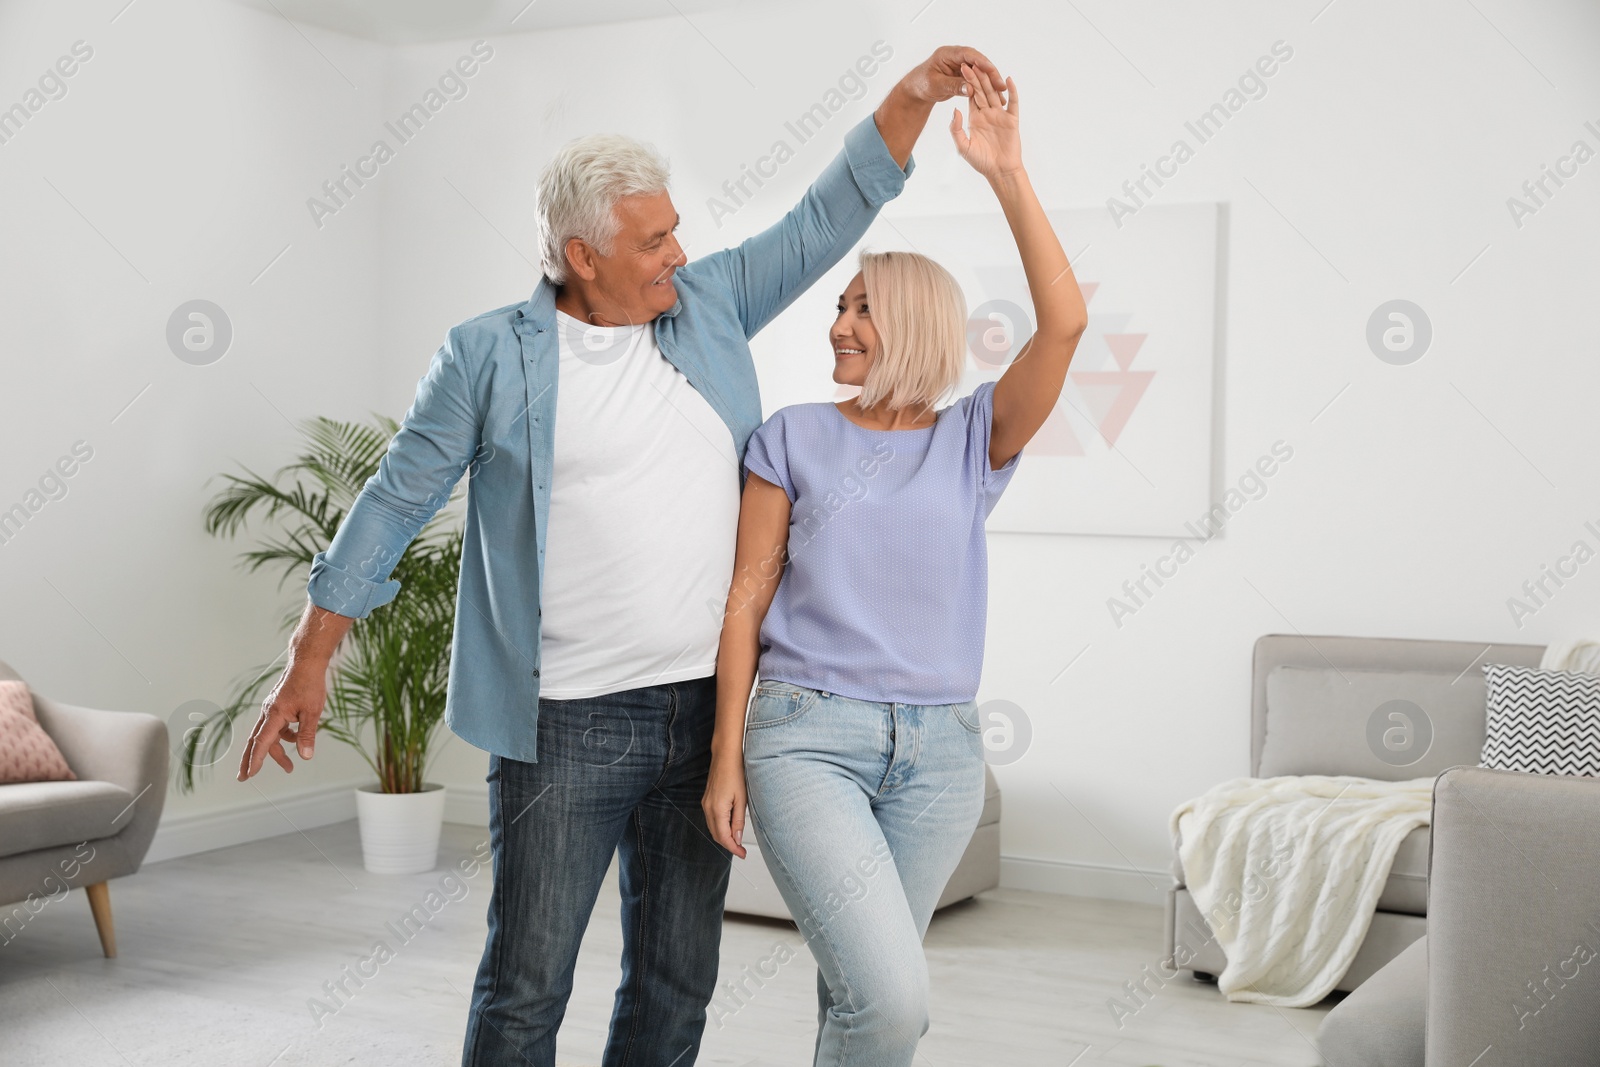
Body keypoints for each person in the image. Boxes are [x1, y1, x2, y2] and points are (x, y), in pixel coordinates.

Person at [233, 45, 1008, 1067]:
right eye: (652, 242)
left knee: (677, 982)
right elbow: (393, 500)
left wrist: (910, 98)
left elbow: (825, 218)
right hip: (563, 724)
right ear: (580, 253)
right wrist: (311, 652)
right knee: (526, 985)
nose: (678, 254)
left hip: (701, 712)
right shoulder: (488, 354)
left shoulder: (710, 307)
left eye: (676, 228)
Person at [701, 63, 1087, 1065]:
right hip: (804, 738)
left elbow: (1065, 325)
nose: (838, 323)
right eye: (838, 306)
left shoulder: (973, 440)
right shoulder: (788, 436)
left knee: (858, 996)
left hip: (943, 758)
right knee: (894, 999)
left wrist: (1006, 172)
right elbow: (745, 599)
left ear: (911, 320)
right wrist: (724, 751)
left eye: (862, 307)